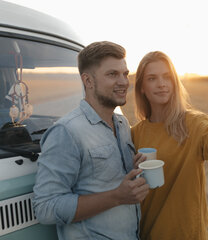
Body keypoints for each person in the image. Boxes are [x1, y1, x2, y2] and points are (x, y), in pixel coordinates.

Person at [33, 41, 149, 240]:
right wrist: (117, 196)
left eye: (125, 73)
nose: (123, 81)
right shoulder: (67, 131)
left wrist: (135, 167)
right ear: (88, 81)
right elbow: (45, 208)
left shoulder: (122, 124)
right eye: (112, 74)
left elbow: (105, 179)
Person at [131, 51, 208, 240]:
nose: (161, 84)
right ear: (142, 88)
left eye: (167, 77)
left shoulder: (192, 124)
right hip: (146, 233)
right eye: (152, 78)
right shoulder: (135, 133)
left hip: (186, 234)